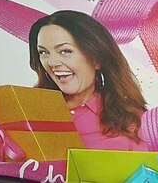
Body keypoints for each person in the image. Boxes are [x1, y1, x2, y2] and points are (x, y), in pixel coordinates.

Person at [29, 10, 149, 150]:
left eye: (65, 51)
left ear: (96, 58)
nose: (52, 62)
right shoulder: (27, 111)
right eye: (43, 52)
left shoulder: (134, 121)